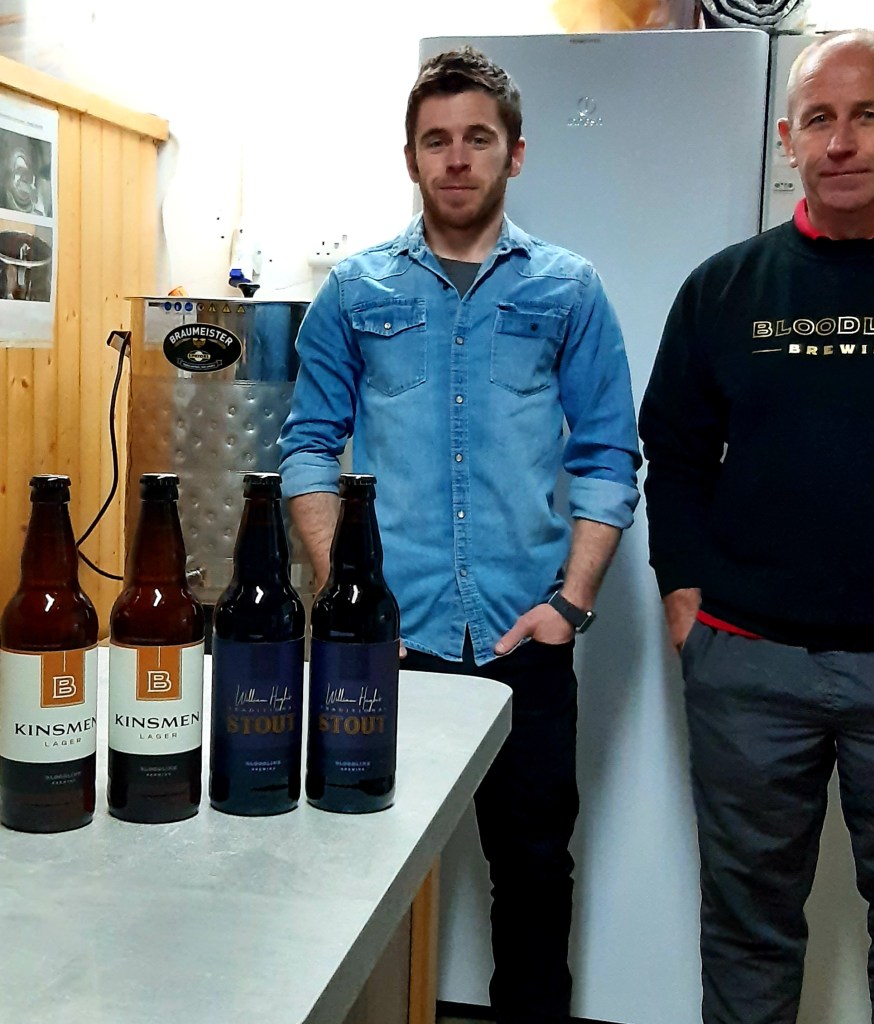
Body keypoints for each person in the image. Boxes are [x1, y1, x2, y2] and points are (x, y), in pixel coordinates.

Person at [639, 28, 874, 1024]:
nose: (841, 141)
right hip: (748, 665)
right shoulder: (725, 287)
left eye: (867, 115)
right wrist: (684, 599)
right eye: (818, 119)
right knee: (747, 929)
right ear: (788, 140)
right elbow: (673, 454)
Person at [278, 46, 640, 1024]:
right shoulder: (356, 292)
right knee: (353, 864)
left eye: (478, 138)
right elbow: (307, 448)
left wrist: (571, 605)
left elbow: (609, 456)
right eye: (435, 140)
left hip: (525, 641)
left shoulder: (567, 289)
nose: (456, 158)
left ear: (514, 154)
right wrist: (347, 600)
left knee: (535, 873)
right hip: (385, 649)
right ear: (410, 157)